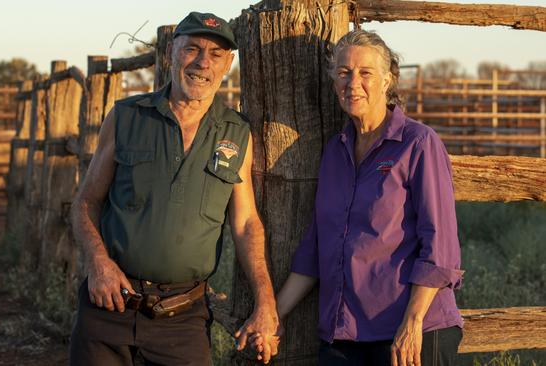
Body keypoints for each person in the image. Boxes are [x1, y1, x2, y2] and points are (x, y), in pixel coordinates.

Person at [69, 11, 278, 366]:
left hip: (182, 319)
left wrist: (266, 301)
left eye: (215, 54)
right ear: (171, 54)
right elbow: (85, 202)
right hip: (108, 306)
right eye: (192, 49)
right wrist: (98, 263)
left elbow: (245, 224)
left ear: (228, 64)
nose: (202, 63)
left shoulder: (236, 132)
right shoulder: (126, 117)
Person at [248, 29, 464, 365]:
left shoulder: (418, 143)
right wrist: (272, 319)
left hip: (409, 333)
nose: (353, 83)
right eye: (344, 73)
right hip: (344, 335)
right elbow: (316, 248)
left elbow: (441, 246)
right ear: (333, 81)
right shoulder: (336, 150)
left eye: (366, 73)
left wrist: (413, 322)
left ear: (387, 80)